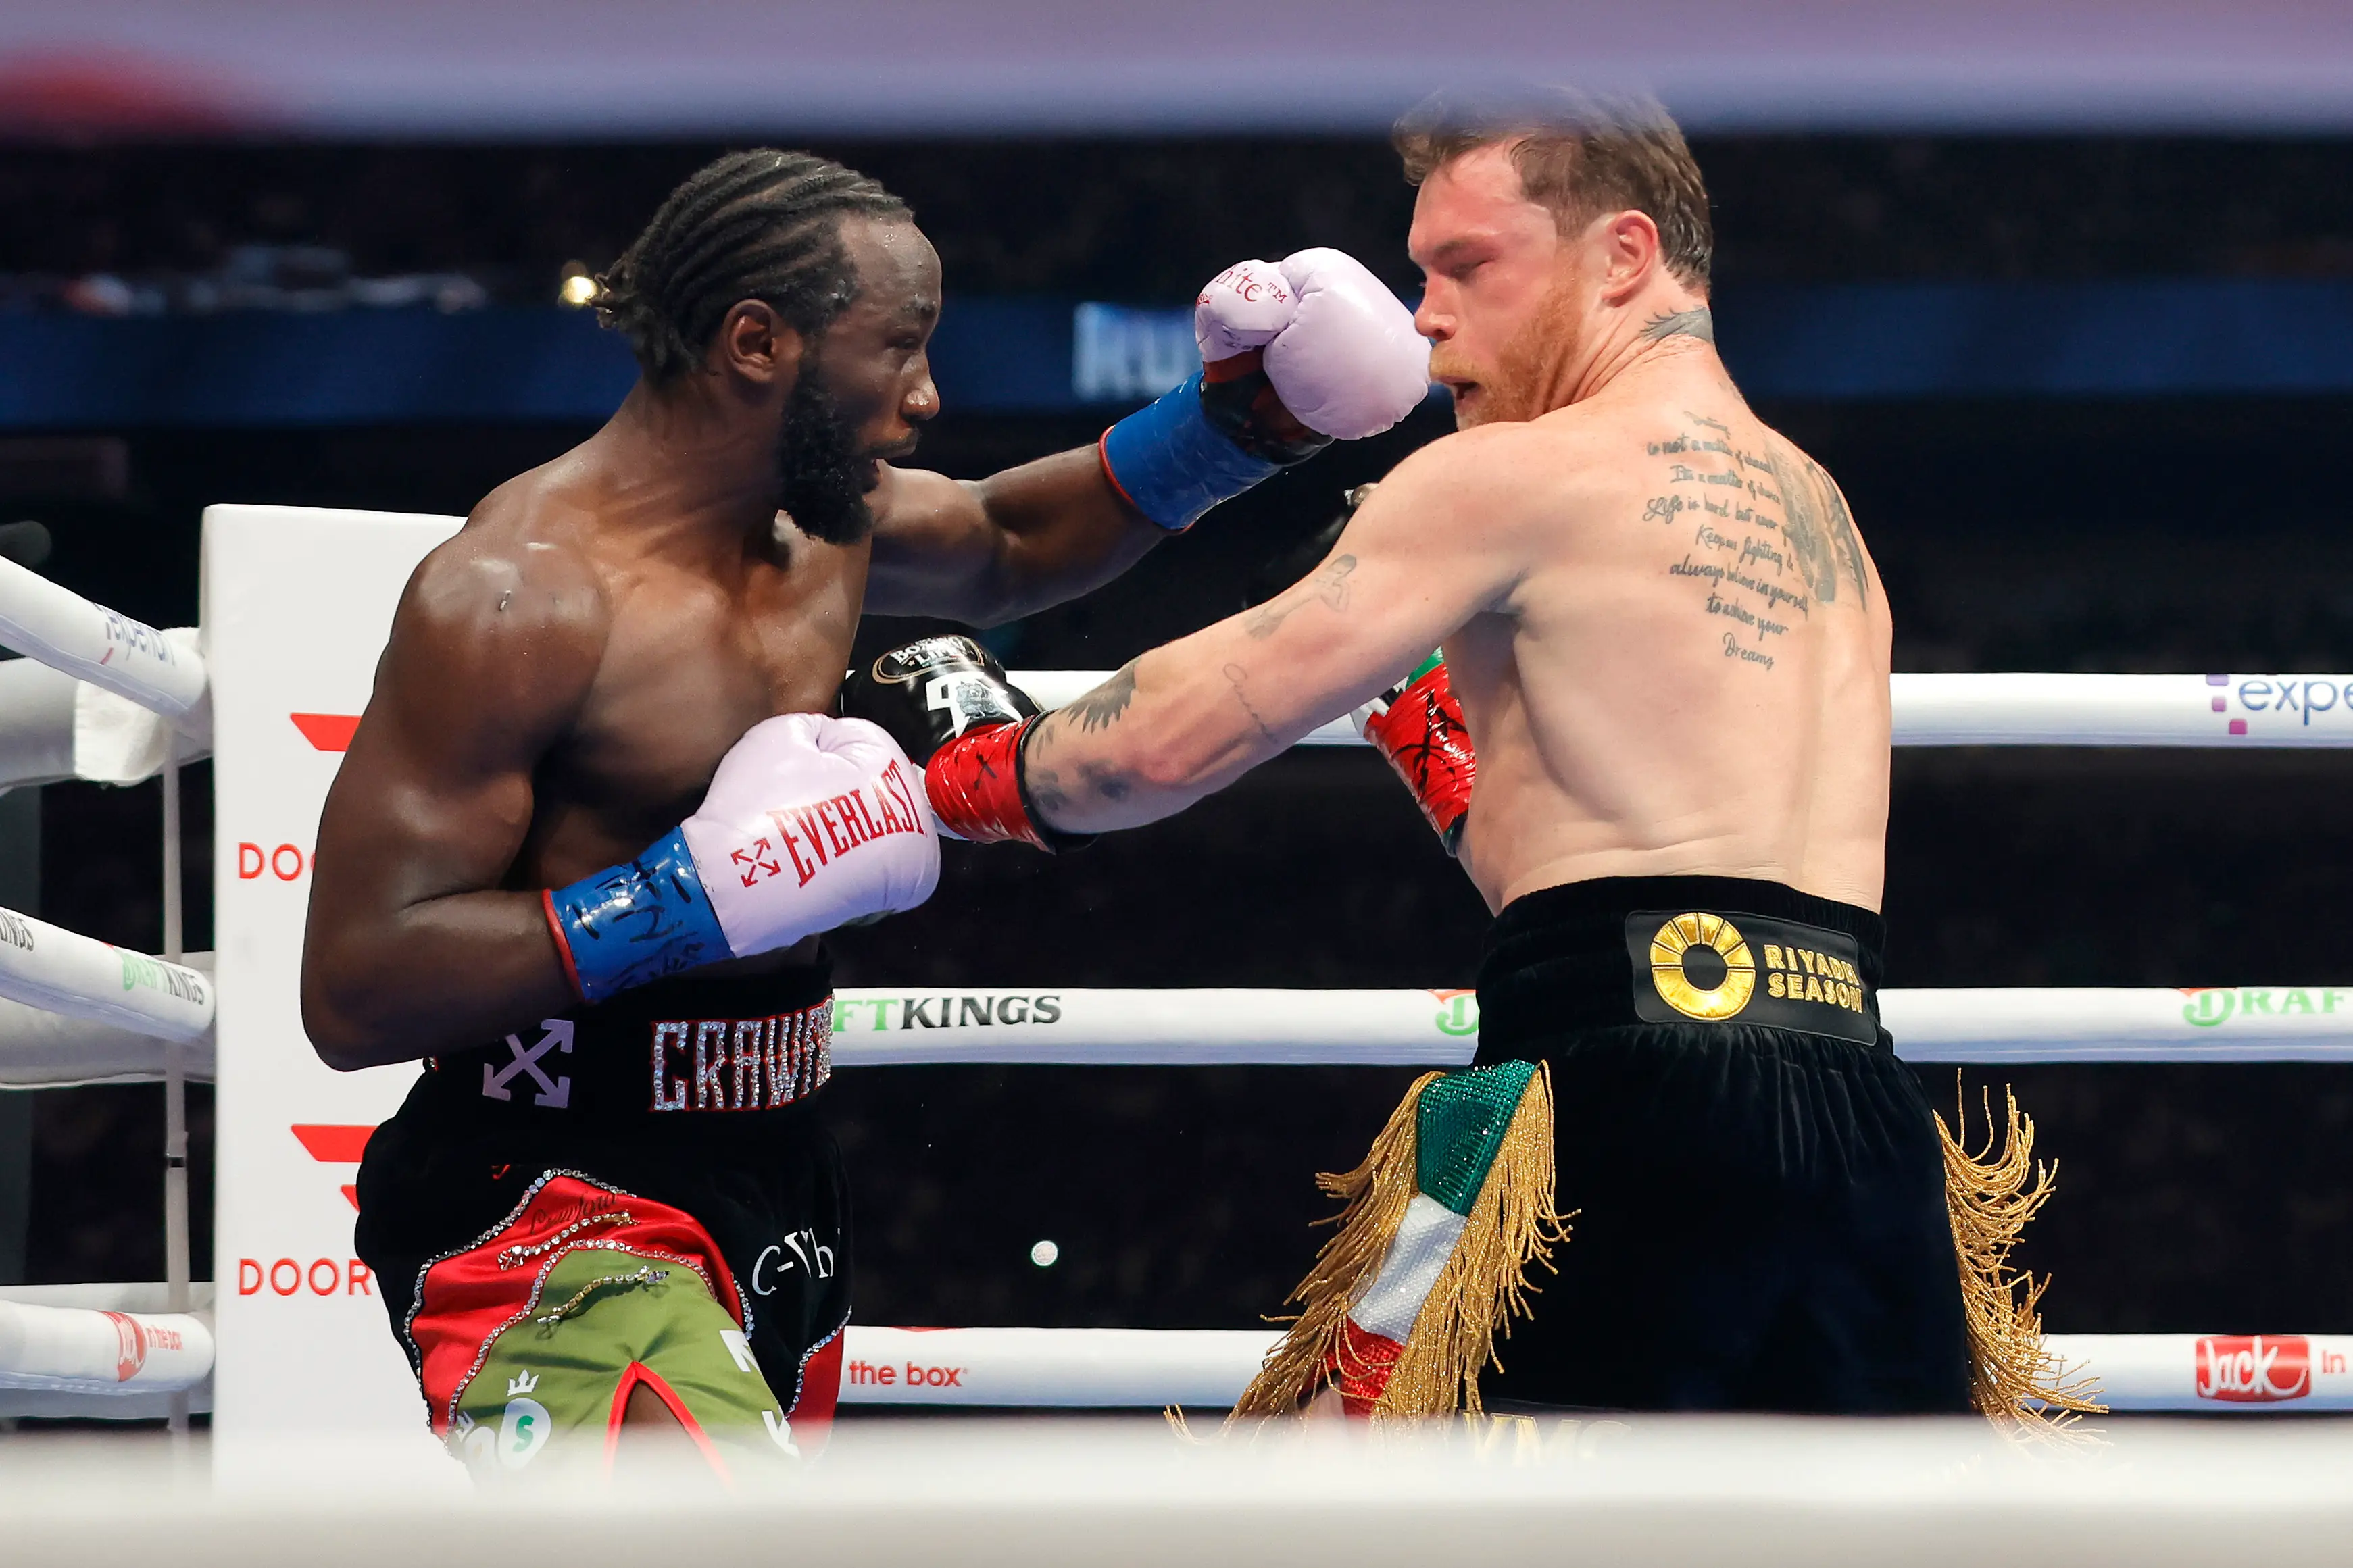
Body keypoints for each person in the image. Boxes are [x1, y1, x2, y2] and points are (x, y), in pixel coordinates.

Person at [859, 91, 2090, 1424]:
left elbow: (1165, 741)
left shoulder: (1509, 475)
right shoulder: (1819, 511)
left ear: (1620, 256)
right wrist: (1451, 761)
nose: (1422, 317)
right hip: (1860, 1122)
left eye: (1462, 267)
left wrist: (970, 766)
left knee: (1388, 1511)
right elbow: (1629, 853)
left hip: (1614, 1112)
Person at [299, 147, 1431, 1477]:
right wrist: (680, 900)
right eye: (896, 350)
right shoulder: (516, 596)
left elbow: (1011, 539)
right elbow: (355, 988)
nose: (928, 394)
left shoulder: (820, 523)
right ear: (756, 341)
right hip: (544, 1195)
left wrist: (1238, 428)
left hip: (774, 1174)